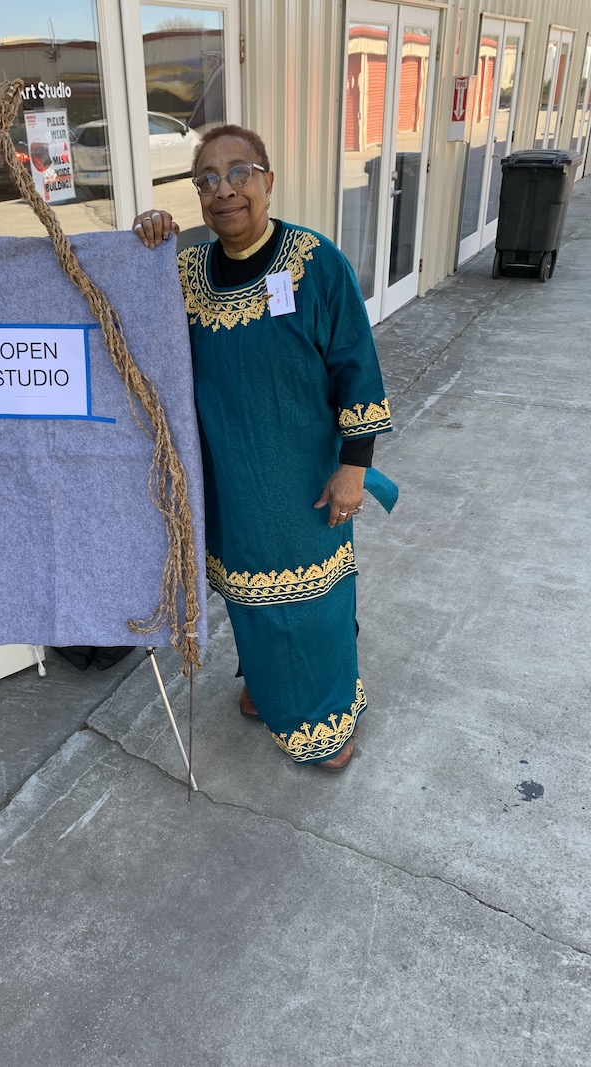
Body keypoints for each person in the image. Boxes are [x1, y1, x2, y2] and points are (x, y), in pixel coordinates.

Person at [133, 125, 394, 770]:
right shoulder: (186, 274)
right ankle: (270, 689)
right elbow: (128, 311)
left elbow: (354, 365)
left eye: (239, 172)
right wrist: (145, 241)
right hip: (230, 483)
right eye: (207, 180)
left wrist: (354, 467)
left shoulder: (315, 264)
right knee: (249, 600)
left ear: (268, 179)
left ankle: (324, 725)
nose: (225, 191)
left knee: (313, 610)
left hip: (304, 480)